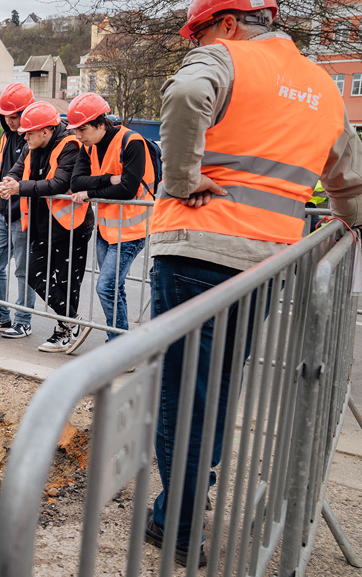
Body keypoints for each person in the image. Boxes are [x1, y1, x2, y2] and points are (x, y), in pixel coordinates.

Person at [146, 0, 362, 566]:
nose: (199, 43)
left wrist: (183, 178)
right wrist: (351, 220)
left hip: (200, 246)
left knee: (185, 393)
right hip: (268, 262)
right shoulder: (323, 88)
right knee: (217, 387)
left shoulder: (226, 59)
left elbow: (187, 96)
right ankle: (190, 499)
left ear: (229, 22)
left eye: (200, 32)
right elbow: (350, 174)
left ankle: (177, 523)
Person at [0, 101, 93, 354]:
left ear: (46, 131)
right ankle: (74, 321)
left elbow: (59, 184)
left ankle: (64, 331)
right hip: (44, 226)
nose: (24, 135)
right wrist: (10, 180)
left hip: (71, 227)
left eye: (29, 132)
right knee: (32, 273)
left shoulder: (70, 146)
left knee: (67, 282)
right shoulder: (33, 145)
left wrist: (19, 188)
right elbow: (18, 169)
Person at [67, 93, 153, 342]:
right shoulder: (87, 147)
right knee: (114, 288)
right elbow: (75, 182)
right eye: (75, 130)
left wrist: (90, 192)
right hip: (107, 229)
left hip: (132, 229)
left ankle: (118, 345)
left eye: (82, 129)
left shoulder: (132, 142)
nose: (78, 136)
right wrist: (107, 180)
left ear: (100, 124)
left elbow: (127, 189)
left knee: (106, 287)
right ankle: (119, 343)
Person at [0, 83, 38, 338]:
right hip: (2, 210)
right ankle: (1, 314)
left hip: (23, 212)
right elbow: (4, 170)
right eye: (6, 116)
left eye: (15, 116)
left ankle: (23, 320)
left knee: (23, 269)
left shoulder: (34, 136)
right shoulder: (6, 136)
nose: (10, 121)